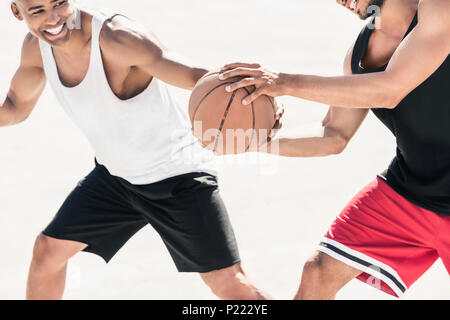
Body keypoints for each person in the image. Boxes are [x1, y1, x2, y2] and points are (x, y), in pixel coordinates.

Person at [2, 0, 271, 300]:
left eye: (60, 3)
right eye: (37, 11)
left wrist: (257, 96)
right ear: (17, 12)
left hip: (177, 177)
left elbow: (196, 76)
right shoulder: (35, 49)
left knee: (229, 284)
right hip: (117, 177)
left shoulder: (117, 38)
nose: (54, 18)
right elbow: (14, 107)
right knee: (47, 252)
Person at [220, 0, 450, 299]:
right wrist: (253, 142)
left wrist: (285, 83)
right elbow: (334, 134)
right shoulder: (359, 53)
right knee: (318, 273)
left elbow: (391, 90)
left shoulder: (439, 8)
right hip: (410, 189)